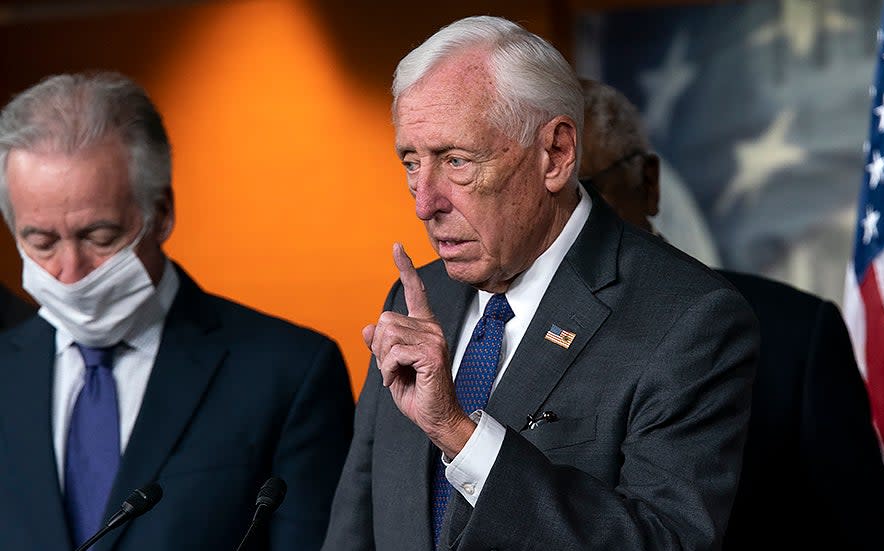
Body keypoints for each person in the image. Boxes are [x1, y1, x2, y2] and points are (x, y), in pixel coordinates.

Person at [323, 16, 758, 551]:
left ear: (555, 154)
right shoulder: (419, 297)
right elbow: (358, 519)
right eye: (411, 162)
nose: (423, 203)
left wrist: (462, 436)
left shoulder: (688, 319)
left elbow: (666, 542)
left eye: (456, 161)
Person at [0, 72, 354, 551]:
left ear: (161, 212)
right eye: (39, 242)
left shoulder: (289, 374)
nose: (70, 271)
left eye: (99, 237)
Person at [578, 78, 884, 550]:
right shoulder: (480, 339)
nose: (563, 222)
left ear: (649, 183)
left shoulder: (793, 335)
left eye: (582, 191)